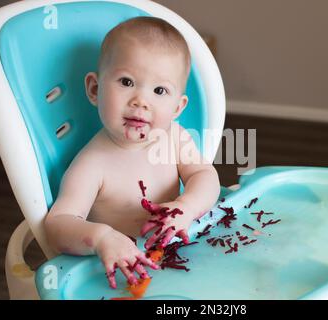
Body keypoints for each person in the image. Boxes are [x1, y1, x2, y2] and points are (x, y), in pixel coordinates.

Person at [44, 16, 220, 289]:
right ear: (95, 89)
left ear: (177, 108)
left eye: (160, 90)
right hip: (120, 273)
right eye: (126, 82)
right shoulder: (92, 164)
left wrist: (187, 208)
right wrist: (101, 238)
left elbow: (204, 176)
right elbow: (58, 225)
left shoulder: (173, 137)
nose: (141, 101)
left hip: (177, 256)